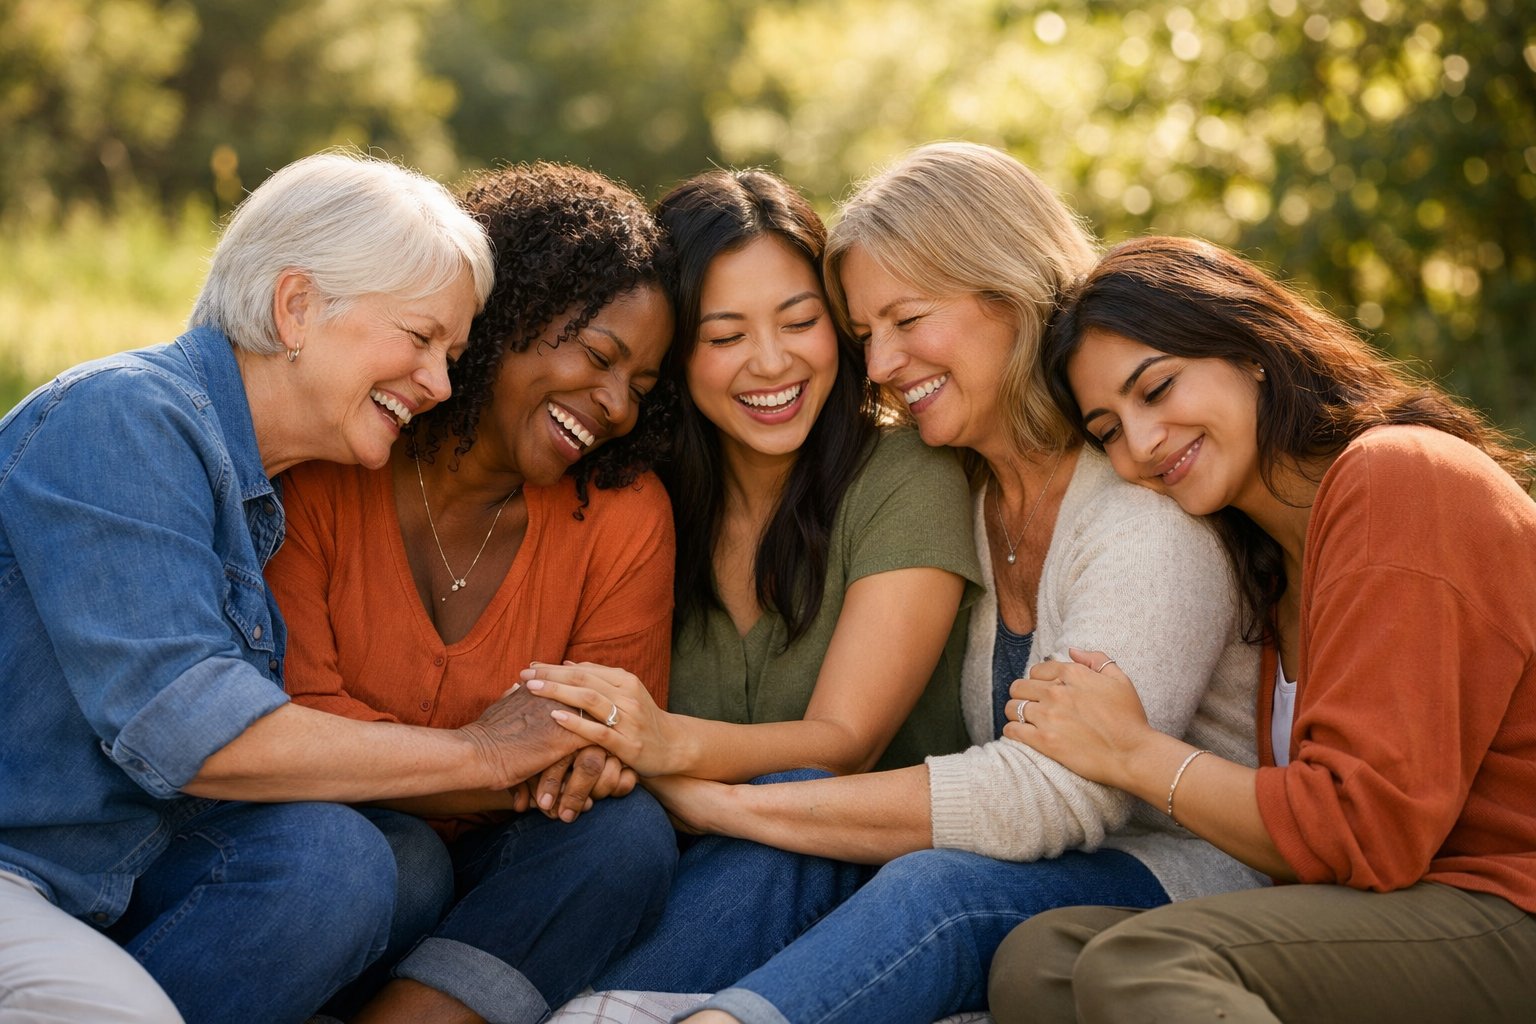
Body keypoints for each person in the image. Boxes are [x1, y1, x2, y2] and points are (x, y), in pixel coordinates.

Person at [561, 142, 1266, 1024]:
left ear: (1006, 294)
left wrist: (724, 801)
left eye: (904, 321)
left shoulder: (1142, 513)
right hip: (1029, 869)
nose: (882, 365)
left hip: (1179, 875)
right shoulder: (972, 489)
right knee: (812, 828)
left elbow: (1062, 795)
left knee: (924, 880)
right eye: (865, 335)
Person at [0, 150, 616, 1024]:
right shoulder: (124, 418)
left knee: (373, 858)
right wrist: (480, 754)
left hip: (112, 865)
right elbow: (193, 732)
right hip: (19, 868)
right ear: (297, 307)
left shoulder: (258, 483)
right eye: (420, 338)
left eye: (452, 353)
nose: (441, 385)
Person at [990, 234, 1536, 1023]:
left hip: (1510, 904)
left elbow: (1364, 833)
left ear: (1249, 349)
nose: (1141, 446)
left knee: (1145, 959)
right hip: (1415, 910)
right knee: (1044, 962)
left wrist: (1135, 754)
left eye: (1159, 388)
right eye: (1108, 430)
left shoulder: (1399, 477)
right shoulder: (1275, 571)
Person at [521, 167, 980, 993]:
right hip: (665, 865)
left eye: (800, 322)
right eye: (724, 336)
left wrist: (665, 746)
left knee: (797, 796)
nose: (770, 363)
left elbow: (847, 746)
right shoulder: (635, 496)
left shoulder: (906, 476)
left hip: (845, 871)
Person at [264, 162, 681, 1024]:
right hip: (325, 859)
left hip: (507, 877)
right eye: (598, 356)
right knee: (394, 856)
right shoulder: (332, 459)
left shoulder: (622, 515)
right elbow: (295, 715)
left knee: (624, 841)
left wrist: (561, 762)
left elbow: (596, 749)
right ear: (505, 317)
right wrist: (491, 760)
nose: (613, 405)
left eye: (639, 389)